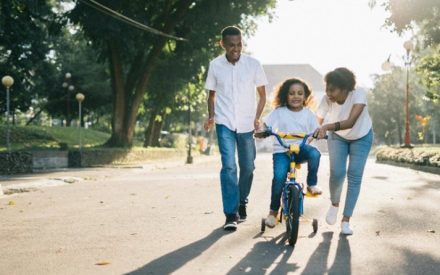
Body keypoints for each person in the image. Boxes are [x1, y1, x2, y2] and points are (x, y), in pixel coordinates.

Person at [204, 26, 267, 231]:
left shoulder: (253, 64)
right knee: (229, 166)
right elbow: (211, 95)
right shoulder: (215, 65)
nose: (236, 48)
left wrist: (257, 118)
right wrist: (212, 116)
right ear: (222, 44)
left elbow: (262, 95)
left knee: (248, 167)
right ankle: (230, 214)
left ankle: (242, 201)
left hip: (247, 124)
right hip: (224, 123)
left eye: (239, 44)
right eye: (231, 45)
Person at [314, 67, 373, 235]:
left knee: (354, 176)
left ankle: (346, 220)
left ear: (345, 88)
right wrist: (311, 135)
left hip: (361, 136)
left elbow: (350, 122)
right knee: (337, 173)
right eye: (327, 88)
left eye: (332, 89)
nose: (328, 93)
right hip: (338, 138)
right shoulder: (327, 99)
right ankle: (334, 204)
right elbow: (317, 121)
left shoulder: (358, 94)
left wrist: (326, 127)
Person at [262, 78, 322, 228]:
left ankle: (311, 184)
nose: (296, 96)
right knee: (279, 178)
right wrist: (262, 130)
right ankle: (273, 212)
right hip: (282, 150)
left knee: (315, 154)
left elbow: (316, 129)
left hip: (300, 149)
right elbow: (265, 124)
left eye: (300, 93)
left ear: (305, 96)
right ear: (285, 96)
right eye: (292, 93)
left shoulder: (308, 114)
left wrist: (319, 133)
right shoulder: (279, 112)